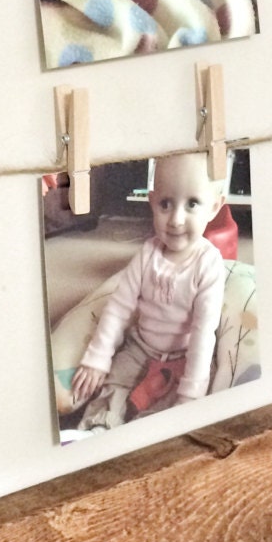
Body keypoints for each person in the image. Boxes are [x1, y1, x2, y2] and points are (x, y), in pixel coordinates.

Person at [70, 152, 226, 429]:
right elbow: (119, 308)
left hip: (185, 355)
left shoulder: (208, 263)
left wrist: (191, 391)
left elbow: (204, 332)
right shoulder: (147, 254)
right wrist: (98, 358)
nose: (176, 219)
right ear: (152, 202)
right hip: (140, 347)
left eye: (192, 204)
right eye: (166, 204)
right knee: (112, 385)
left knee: (173, 414)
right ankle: (98, 429)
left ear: (214, 208)